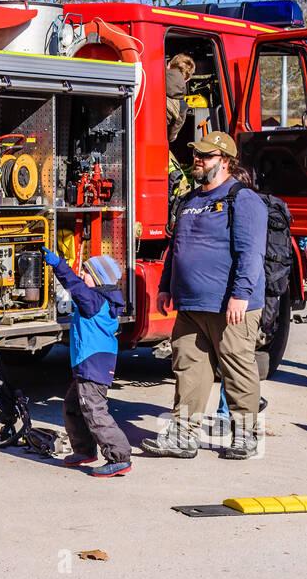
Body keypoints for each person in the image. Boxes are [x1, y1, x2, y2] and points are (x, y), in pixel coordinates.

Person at [141, 130, 267, 459]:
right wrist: (166, 286)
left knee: (238, 368)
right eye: (197, 155)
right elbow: (177, 247)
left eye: (206, 156)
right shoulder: (190, 201)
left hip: (231, 307)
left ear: (225, 161)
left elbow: (250, 253)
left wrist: (240, 294)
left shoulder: (243, 199)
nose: (198, 160)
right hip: (191, 305)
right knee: (188, 370)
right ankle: (183, 437)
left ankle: (246, 435)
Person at [40, 249, 132, 477]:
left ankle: (119, 456)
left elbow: (74, 284)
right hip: (88, 366)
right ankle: (84, 450)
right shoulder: (100, 300)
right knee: (73, 406)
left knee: (94, 411)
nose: (82, 274)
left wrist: (59, 264)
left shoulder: (93, 300)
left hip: (93, 366)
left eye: (87, 272)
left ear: (99, 278)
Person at [165, 53, 196, 143]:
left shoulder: (148, 79)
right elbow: (170, 137)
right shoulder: (182, 106)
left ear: (169, 65)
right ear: (187, 80)